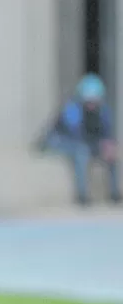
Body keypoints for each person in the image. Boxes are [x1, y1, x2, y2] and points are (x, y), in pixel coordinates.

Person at [41, 73, 120, 206]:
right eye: (88, 101)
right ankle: (82, 195)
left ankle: (114, 193)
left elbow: (107, 133)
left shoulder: (103, 111)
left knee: (110, 154)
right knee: (81, 153)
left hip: (89, 143)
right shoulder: (73, 110)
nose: (91, 105)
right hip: (66, 142)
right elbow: (76, 135)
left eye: (95, 101)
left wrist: (107, 144)